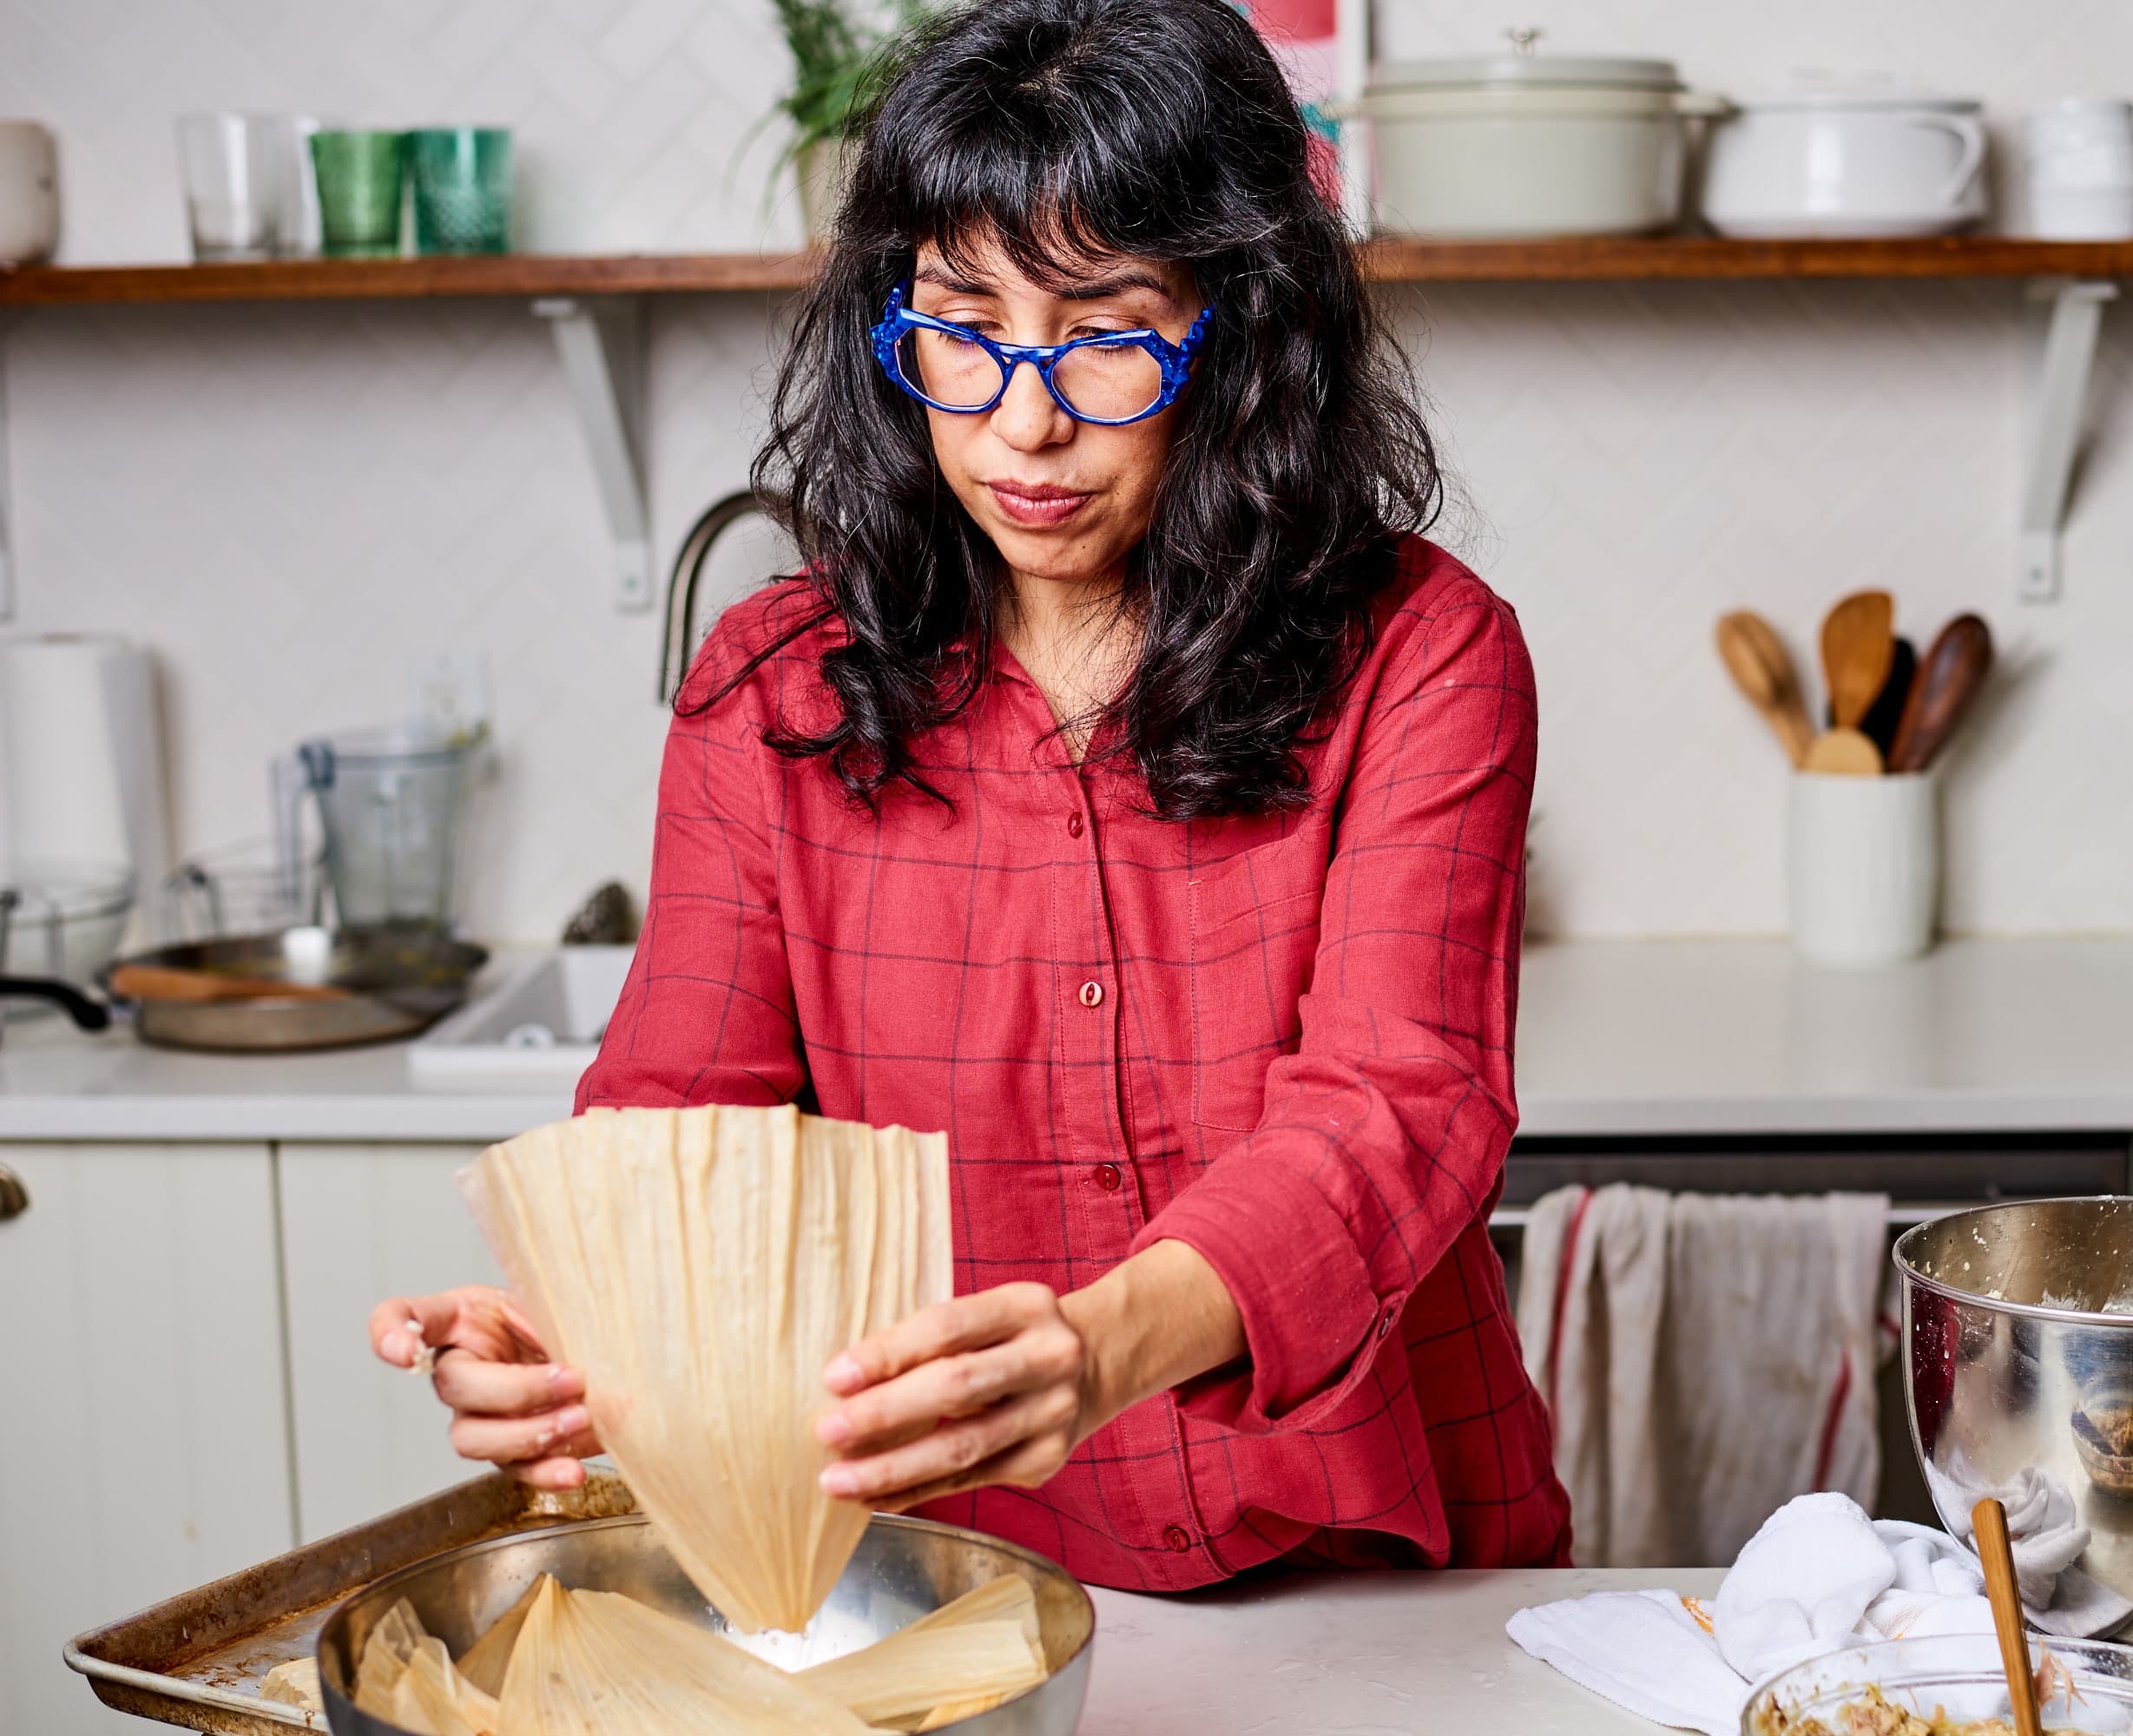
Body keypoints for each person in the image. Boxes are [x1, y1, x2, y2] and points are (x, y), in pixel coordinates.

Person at [367, 0, 1566, 1590]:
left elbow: (1398, 1107)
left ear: (1244, 331)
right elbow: (680, 1131)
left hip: (1384, 1563)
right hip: (953, 1578)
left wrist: (1102, 1348)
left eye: (1108, 335)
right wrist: (573, 1318)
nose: (1023, 418)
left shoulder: (1425, 652)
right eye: (963, 324)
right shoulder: (771, 689)